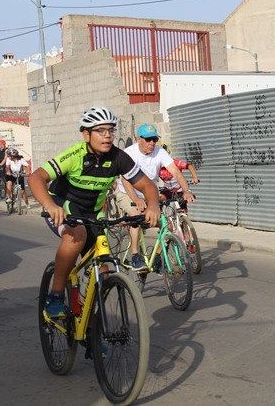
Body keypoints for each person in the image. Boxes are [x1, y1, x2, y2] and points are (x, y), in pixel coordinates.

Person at [28, 107, 161, 318]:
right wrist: (50, 206)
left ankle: (93, 326)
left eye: (111, 130)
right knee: (77, 236)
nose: (107, 135)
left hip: (92, 211)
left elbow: (147, 185)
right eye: (100, 130)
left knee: (104, 271)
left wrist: (153, 205)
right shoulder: (75, 155)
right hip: (63, 204)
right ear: (86, 134)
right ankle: (54, 296)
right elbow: (36, 177)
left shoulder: (119, 158)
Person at [115, 125, 195, 272]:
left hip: (148, 194)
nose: (152, 143)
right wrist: (136, 199)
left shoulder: (160, 152)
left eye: (154, 139)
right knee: (136, 217)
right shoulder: (129, 153)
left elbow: (176, 173)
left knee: (168, 225)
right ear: (138, 139)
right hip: (127, 193)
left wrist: (187, 190)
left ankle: (157, 257)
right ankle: (135, 256)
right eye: (148, 140)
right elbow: (125, 180)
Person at [158, 143, 199, 211]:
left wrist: (195, 177)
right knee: (158, 202)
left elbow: (189, 166)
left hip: (179, 189)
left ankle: (183, 217)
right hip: (167, 190)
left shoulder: (174, 162)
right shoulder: (157, 166)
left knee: (182, 207)